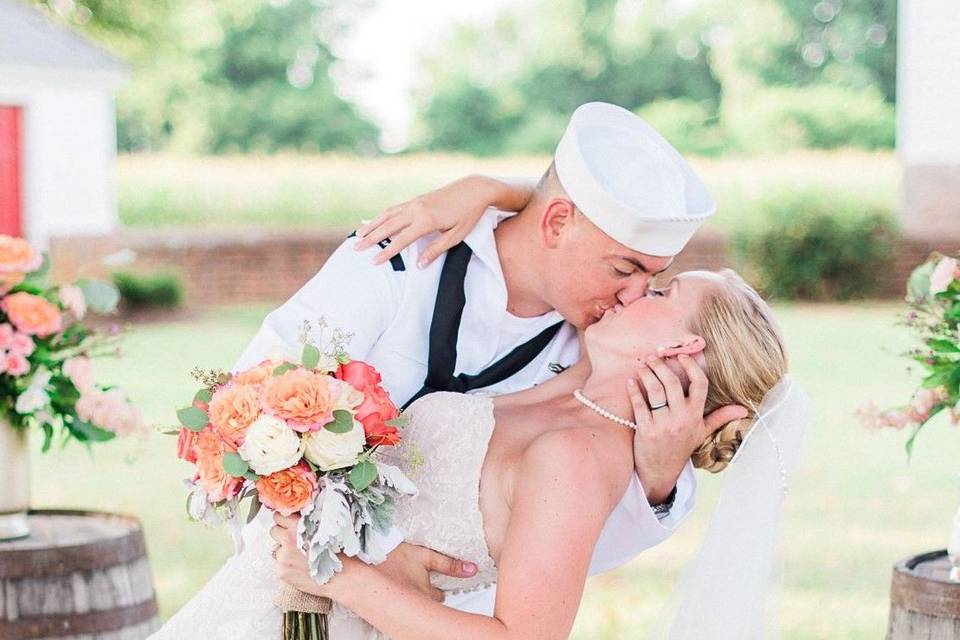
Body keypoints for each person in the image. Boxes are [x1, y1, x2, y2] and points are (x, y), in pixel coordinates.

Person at [151, 102, 747, 639]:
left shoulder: (600, 350)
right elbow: (250, 415)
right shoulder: (399, 258)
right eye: (625, 269)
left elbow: (578, 533)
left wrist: (660, 477)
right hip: (296, 596)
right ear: (557, 224)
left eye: (653, 279)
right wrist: (369, 560)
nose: (633, 296)